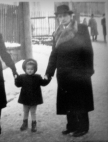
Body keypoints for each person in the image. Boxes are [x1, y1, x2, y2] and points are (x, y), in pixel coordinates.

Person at [44, 5, 94, 137]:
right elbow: (54, 55)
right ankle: (71, 125)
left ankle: (83, 127)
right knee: (67, 101)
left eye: (65, 15)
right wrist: (49, 72)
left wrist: (88, 70)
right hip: (64, 73)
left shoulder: (81, 29)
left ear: (71, 16)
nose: (62, 18)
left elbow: (88, 50)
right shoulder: (57, 32)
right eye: (60, 16)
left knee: (80, 101)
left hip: (79, 72)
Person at [15, 59, 50, 132]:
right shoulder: (22, 77)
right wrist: (16, 79)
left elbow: (43, 83)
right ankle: (25, 124)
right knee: (25, 111)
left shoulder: (37, 77)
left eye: (31, 69)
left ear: (35, 69)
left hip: (34, 98)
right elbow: (18, 85)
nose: (29, 70)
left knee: (33, 112)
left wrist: (47, 79)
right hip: (25, 98)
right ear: (25, 69)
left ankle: (34, 125)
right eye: (28, 69)